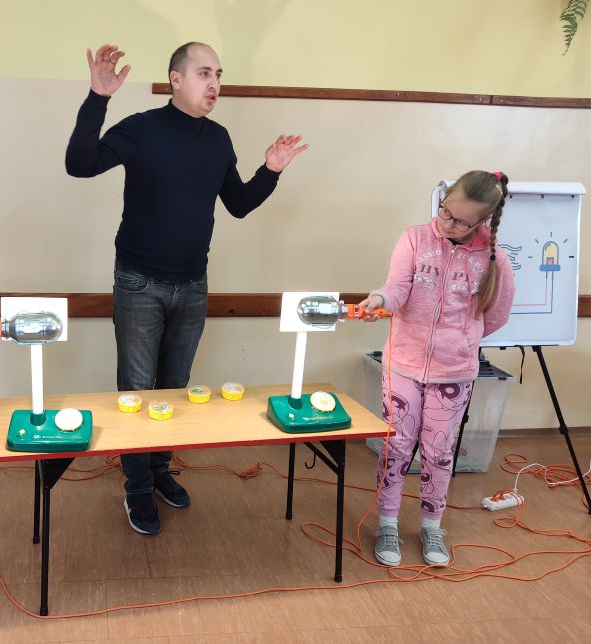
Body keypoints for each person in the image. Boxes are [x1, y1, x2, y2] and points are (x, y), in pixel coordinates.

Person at [65, 42, 307, 535]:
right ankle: (136, 488)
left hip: (193, 285)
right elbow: (79, 163)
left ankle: (158, 471)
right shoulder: (142, 128)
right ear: (175, 79)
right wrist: (98, 97)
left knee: (174, 391)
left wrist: (271, 170)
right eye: (203, 73)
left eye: (218, 74)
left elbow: (238, 203)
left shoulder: (218, 139)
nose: (214, 83)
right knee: (136, 392)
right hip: (139, 283)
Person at [359, 170, 515, 567]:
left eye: (461, 222)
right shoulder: (415, 239)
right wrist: (379, 300)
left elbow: (496, 315)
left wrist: (461, 339)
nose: (448, 224)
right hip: (403, 365)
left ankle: (432, 526)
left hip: (454, 372)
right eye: (446, 212)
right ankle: (388, 523)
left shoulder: (495, 259)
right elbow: (398, 287)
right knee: (395, 447)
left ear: (482, 221)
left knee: (439, 451)